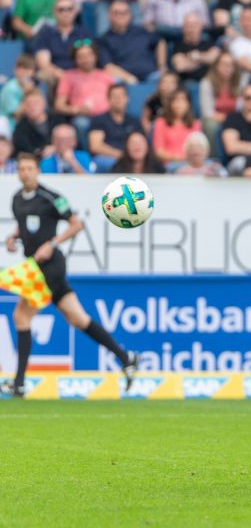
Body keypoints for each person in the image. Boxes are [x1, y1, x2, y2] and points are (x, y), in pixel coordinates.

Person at [1, 154, 140, 398]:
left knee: (21, 316)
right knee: (78, 318)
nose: (25, 173)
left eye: (30, 168)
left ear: (37, 171)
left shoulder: (51, 197)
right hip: (35, 266)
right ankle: (126, 358)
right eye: (22, 169)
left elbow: (76, 224)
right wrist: (14, 237)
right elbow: (25, 227)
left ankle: (19, 384)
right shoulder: (16, 199)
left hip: (50, 267)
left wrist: (51, 244)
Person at [98, 0, 167, 85]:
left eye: (125, 12)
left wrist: (162, 66)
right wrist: (128, 78)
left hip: (151, 76)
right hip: (124, 82)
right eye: (116, 13)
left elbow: (160, 42)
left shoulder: (142, 31)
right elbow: (108, 66)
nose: (121, 16)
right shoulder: (104, 40)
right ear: (109, 15)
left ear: (130, 14)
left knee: (166, 80)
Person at [32, 0, 91, 87]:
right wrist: (64, 77)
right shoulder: (45, 34)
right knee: (43, 75)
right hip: (55, 75)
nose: (65, 13)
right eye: (61, 10)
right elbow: (44, 64)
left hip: (79, 75)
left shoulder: (83, 33)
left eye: (69, 9)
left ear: (75, 12)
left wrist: (76, 77)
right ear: (54, 12)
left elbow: (89, 59)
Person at [89, 84, 143, 173]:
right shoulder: (99, 120)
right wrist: (120, 155)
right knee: (114, 164)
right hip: (107, 158)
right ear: (108, 99)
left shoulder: (134, 121)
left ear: (127, 99)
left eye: (121, 96)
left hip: (130, 157)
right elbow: (95, 146)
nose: (118, 99)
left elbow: (141, 143)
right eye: (115, 96)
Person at [199, 52, 247, 150]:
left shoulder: (240, 82)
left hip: (235, 119)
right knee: (210, 126)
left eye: (231, 65)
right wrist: (230, 119)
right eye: (224, 64)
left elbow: (243, 108)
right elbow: (207, 113)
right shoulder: (207, 83)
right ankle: (213, 156)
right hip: (215, 119)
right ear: (216, 66)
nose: (227, 68)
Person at [152, 89, 202, 168]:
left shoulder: (195, 124)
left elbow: (199, 149)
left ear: (188, 104)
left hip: (191, 166)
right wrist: (179, 158)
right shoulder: (160, 123)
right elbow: (159, 152)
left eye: (183, 100)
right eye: (176, 100)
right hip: (170, 165)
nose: (179, 104)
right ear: (170, 104)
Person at [171, 12, 220, 83]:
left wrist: (197, 56)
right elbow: (180, 66)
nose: (191, 29)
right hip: (187, 82)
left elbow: (215, 59)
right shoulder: (178, 45)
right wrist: (206, 59)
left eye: (194, 25)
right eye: (188, 25)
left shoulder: (208, 43)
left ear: (200, 27)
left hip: (208, 81)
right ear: (183, 28)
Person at [0, 55, 38, 134]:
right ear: (16, 70)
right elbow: (17, 115)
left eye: (30, 70)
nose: (27, 74)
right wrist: (27, 94)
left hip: (28, 126)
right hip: (10, 128)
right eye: (24, 69)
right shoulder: (10, 88)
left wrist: (32, 91)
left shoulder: (32, 86)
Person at [12, 90, 55, 158]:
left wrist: (55, 147)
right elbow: (23, 148)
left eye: (36, 103)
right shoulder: (20, 128)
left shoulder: (57, 119)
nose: (32, 107)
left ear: (44, 103)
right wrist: (41, 152)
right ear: (24, 107)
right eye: (28, 104)